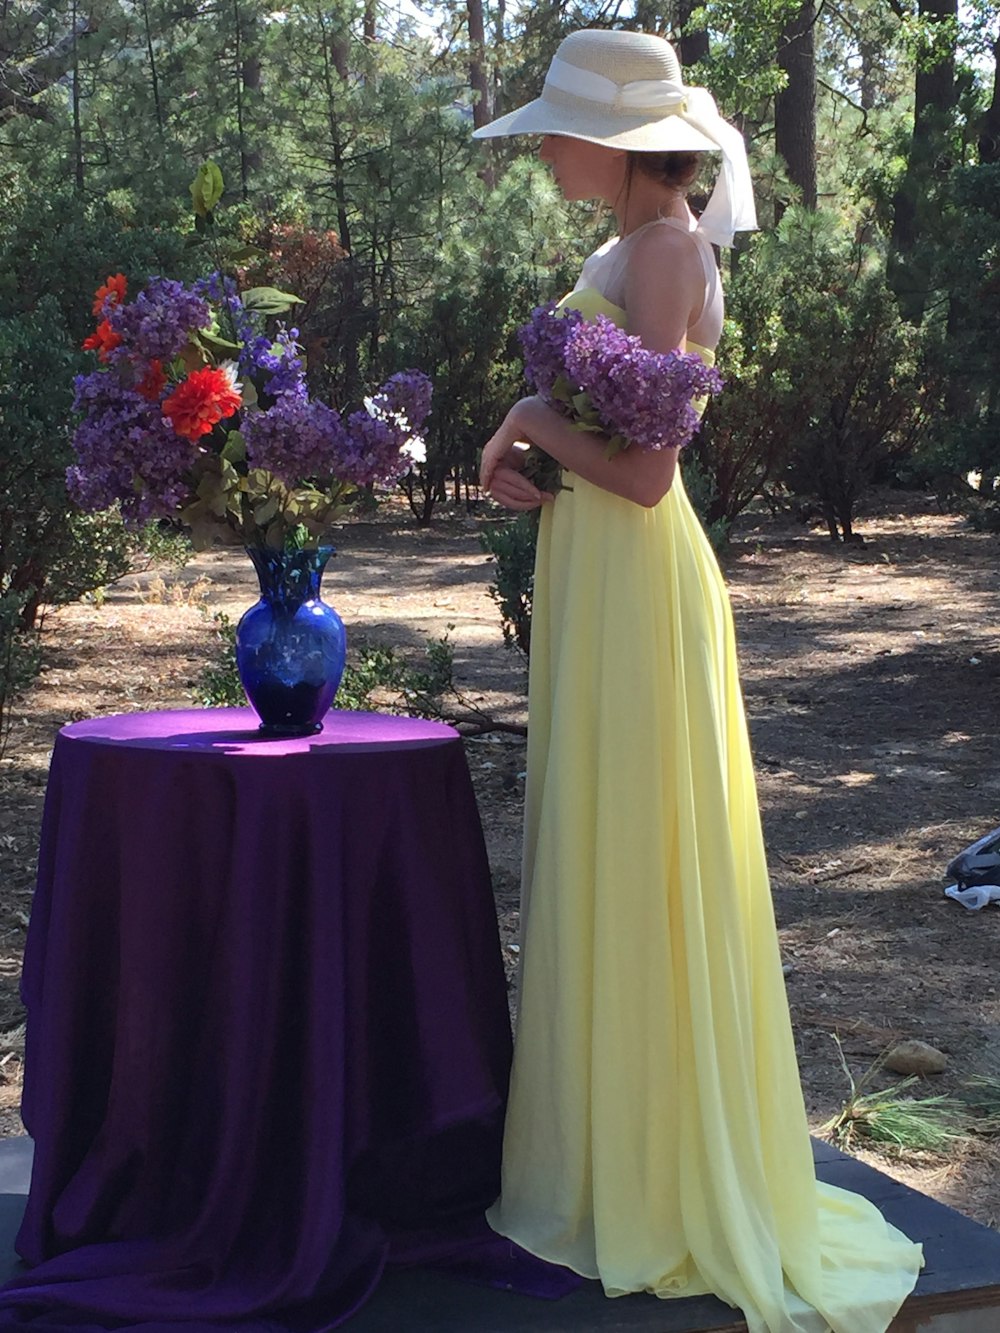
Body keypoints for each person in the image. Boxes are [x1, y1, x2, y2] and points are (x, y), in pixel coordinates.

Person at [473, 29, 923, 1333]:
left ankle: (660, 1176)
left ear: (615, 146)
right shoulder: (621, 248)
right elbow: (598, 439)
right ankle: (608, 1158)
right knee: (603, 848)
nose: (545, 149)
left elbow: (653, 471)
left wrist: (529, 425)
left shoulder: (667, 248)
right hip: (596, 572)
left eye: (557, 130)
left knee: (643, 855)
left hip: (639, 576)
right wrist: (527, 451)